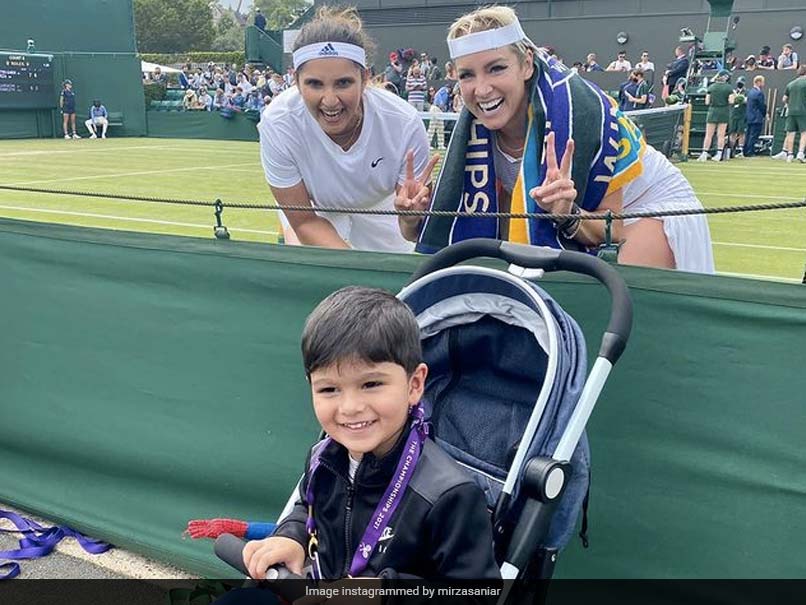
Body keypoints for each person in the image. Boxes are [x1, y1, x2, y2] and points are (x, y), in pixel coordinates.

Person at [403, 5, 713, 273]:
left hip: (645, 208)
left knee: (615, 302)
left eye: (496, 68)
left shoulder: (583, 112)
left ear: (526, 63)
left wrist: (567, 213)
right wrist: (411, 221)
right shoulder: (476, 132)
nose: (482, 89)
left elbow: (613, 229)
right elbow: (501, 225)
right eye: (467, 75)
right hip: (588, 219)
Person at [241, 286, 500, 581]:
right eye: (329, 389)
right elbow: (309, 510)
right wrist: (292, 537)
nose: (350, 407)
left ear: (415, 385)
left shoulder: (449, 495)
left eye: (371, 384)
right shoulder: (322, 460)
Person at [258, 6, 434, 251]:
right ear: (296, 81)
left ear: (364, 78)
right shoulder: (278, 123)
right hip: (314, 211)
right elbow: (304, 221)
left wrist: (410, 219)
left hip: (385, 211)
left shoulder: (404, 123)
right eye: (314, 84)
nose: (330, 100)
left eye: (343, 83)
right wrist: (352, 267)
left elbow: (412, 232)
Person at [697, 70, 734, 162]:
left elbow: (707, 102)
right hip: (724, 112)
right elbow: (731, 101)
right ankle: (719, 154)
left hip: (712, 111)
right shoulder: (729, 88)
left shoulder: (711, 87)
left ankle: (704, 154)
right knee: (721, 135)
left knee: (708, 134)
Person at [775, 65, 806, 163]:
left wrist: (791, 103)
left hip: (791, 111)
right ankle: (800, 153)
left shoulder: (791, 84)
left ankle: (789, 155)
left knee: (790, 133)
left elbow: (784, 99)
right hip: (803, 111)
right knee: (804, 133)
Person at [743, 75, 766, 157]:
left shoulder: (750, 92)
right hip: (757, 117)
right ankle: (750, 152)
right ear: (758, 82)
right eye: (763, 82)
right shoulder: (759, 93)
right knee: (754, 135)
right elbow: (761, 106)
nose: (764, 84)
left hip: (749, 116)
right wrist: (764, 114)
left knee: (748, 134)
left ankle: (746, 150)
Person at [727, 78, 747, 158]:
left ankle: (741, 150)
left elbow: (745, 101)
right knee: (732, 132)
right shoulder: (733, 91)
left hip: (742, 115)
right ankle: (731, 149)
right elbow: (730, 101)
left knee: (741, 132)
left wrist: (738, 97)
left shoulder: (746, 92)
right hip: (733, 114)